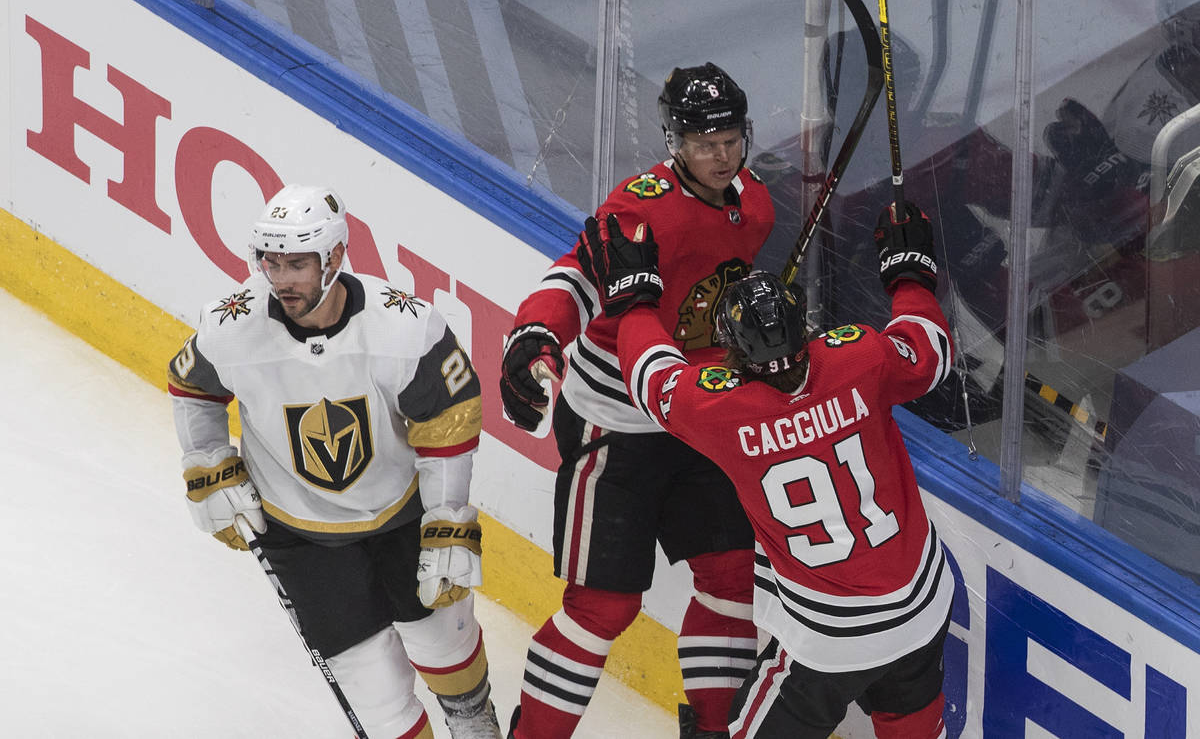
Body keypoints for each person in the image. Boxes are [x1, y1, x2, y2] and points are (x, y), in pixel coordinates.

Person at [578, 198, 955, 738]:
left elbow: (650, 377)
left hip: (828, 641)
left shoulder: (720, 412)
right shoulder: (860, 360)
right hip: (920, 608)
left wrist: (635, 300)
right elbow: (929, 349)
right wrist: (910, 278)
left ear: (730, 352)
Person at [498, 63, 775, 739]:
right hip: (614, 424)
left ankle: (713, 732)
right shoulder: (640, 207)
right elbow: (575, 274)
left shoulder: (755, 202)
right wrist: (536, 333)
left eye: (731, 139)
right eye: (705, 143)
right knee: (604, 607)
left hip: (697, 419)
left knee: (733, 576)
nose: (721, 155)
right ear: (674, 141)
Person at [167, 184, 503, 738]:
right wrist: (206, 460)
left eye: (296, 264)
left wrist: (447, 520)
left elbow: (448, 419)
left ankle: (473, 721)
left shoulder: (405, 327)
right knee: (378, 698)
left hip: (401, 514)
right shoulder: (231, 325)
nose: (280, 279)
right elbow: (191, 386)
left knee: (445, 645)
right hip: (298, 534)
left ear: (336, 257)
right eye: (270, 262)